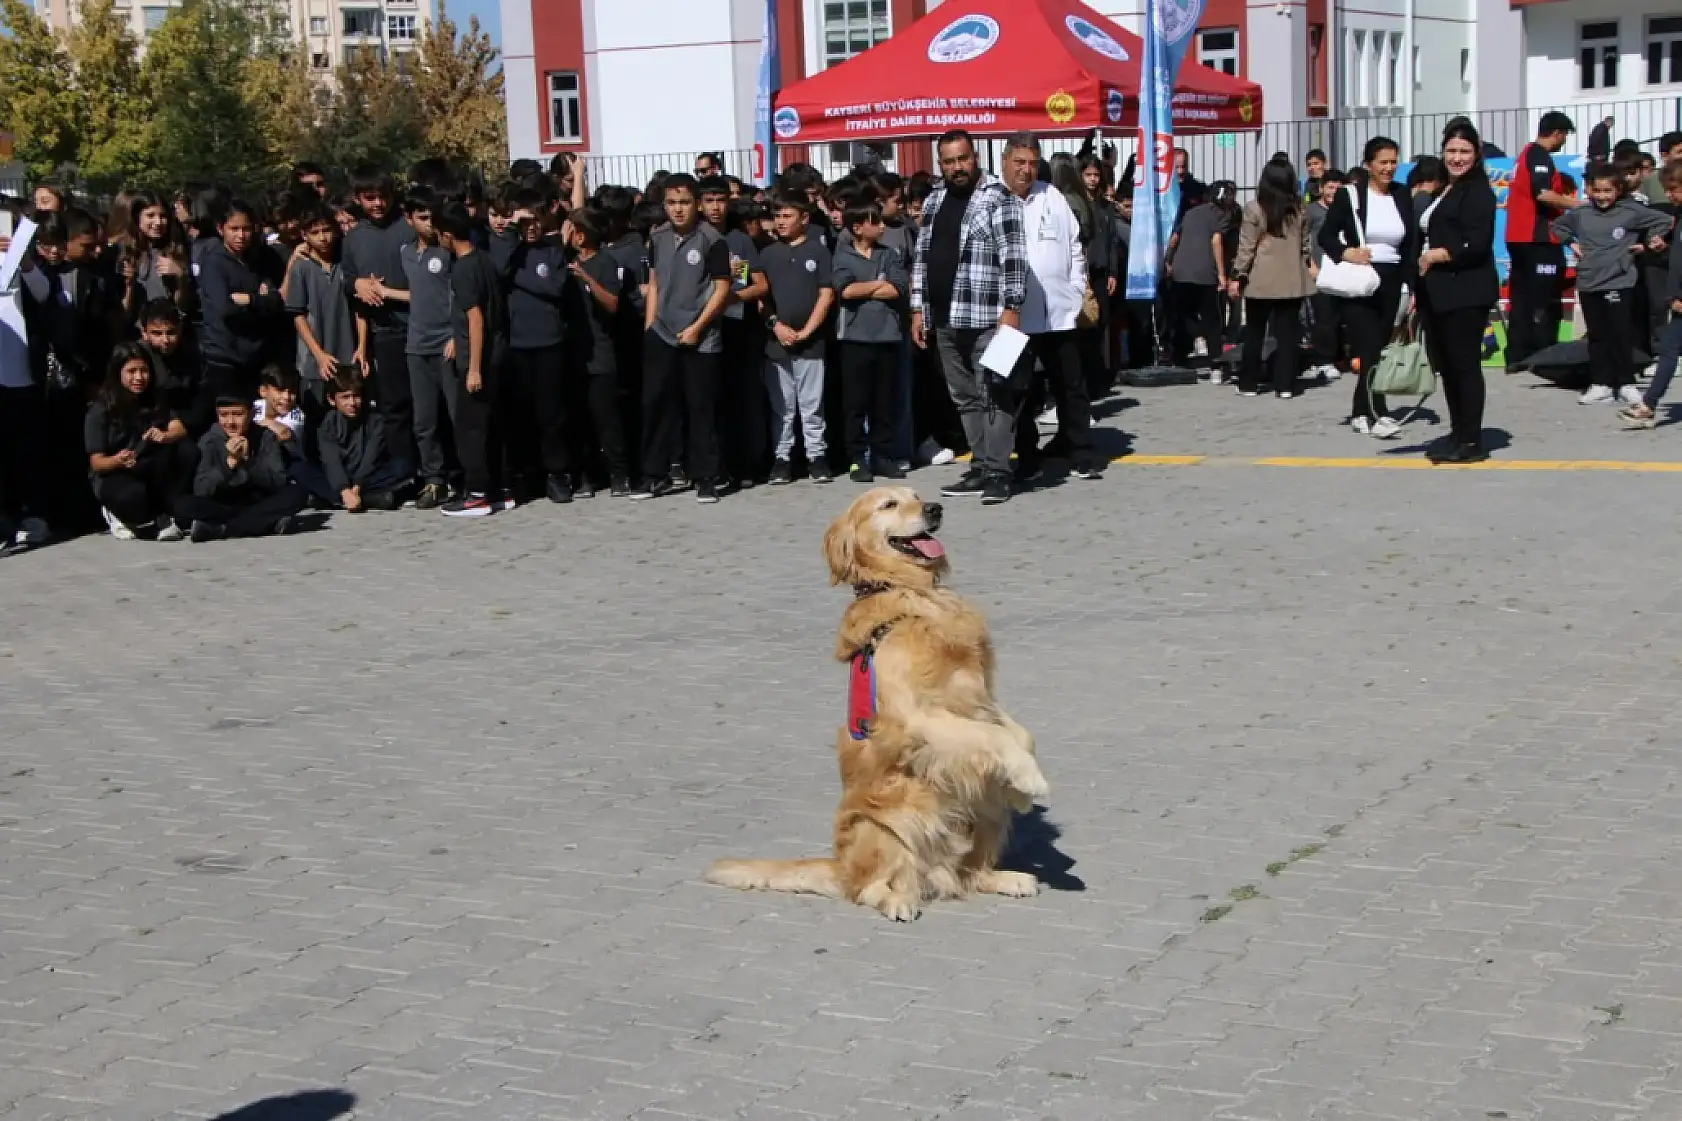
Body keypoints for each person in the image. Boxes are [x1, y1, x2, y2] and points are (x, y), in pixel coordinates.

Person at [910, 129, 1028, 506]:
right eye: (949, 161)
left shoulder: (999, 197)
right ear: (940, 164)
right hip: (945, 317)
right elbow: (922, 258)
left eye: (963, 159)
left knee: (994, 394)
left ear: (975, 157)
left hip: (988, 317)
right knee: (964, 396)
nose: (957, 167)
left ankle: (999, 471)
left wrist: (1012, 308)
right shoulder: (934, 200)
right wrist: (918, 309)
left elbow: (1014, 257)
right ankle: (980, 465)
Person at [633, 173, 732, 504]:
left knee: (700, 408)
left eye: (685, 202)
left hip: (700, 338)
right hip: (662, 333)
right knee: (656, 406)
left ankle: (706, 477)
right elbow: (654, 283)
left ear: (697, 204)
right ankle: (654, 475)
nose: (678, 209)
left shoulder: (712, 240)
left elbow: (722, 289)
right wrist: (650, 326)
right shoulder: (657, 237)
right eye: (672, 203)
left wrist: (697, 328)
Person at [1005, 134, 1097, 486]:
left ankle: (1080, 450)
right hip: (1016, 316)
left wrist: (1075, 289)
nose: (1026, 170)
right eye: (1019, 162)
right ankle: (1027, 456)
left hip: (1060, 311)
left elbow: (1074, 244)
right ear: (1005, 161)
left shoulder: (1053, 195)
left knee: (1071, 384)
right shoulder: (994, 198)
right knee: (1021, 390)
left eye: (1032, 163)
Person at [1319, 136, 1418, 437]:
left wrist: (1413, 286)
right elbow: (1325, 236)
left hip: (1392, 279)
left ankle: (1362, 410)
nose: (1389, 168)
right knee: (1369, 346)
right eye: (1382, 162)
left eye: (1393, 162)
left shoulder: (1402, 194)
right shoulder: (1350, 195)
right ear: (1368, 165)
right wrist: (1346, 252)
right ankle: (1377, 411)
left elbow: (1411, 243)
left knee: (1380, 346)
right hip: (1361, 278)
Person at [1550, 162, 1672, 407]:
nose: (1602, 196)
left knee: (1621, 333)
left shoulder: (1631, 211)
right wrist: (1571, 243)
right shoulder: (1581, 213)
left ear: (1618, 190)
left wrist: (1648, 243)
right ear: (1589, 190)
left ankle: (1626, 382)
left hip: (1619, 280)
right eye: (1597, 190)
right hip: (1589, 281)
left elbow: (1664, 220)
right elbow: (1558, 226)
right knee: (1597, 335)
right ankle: (1601, 383)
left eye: (1608, 191)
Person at [1415, 120, 1501, 464]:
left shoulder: (1478, 192)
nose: (1457, 157)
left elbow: (1476, 243)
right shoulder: (1444, 188)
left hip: (1465, 290)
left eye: (1464, 151)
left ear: (1476, 154)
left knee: (1464, 366)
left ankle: (1471, 440)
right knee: (1448, 367)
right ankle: (1458, 432)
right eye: (1451, 150)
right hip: (1438, 291)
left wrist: (1437, 255)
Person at [341, 166, 418, 478]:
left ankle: (439, 472)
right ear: (358, 199)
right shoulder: (353, 238)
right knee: (394, 406)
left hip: (419, 326)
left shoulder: (408, 227)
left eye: (383, 196)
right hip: (384, 331)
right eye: (370, 198)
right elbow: (346, 279)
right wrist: (355, 284)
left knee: (428, 404)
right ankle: (403, 472)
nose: (378, 204)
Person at [495, 194, 572, 503]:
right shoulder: (507, 252)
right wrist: (510, 234)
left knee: (551, 415)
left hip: (548, 343)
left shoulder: (553, 252)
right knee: (520, 414)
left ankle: (557, 473)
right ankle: (526, 474)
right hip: (516, 344)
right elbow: (497, 274)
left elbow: (555, 287)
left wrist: (518, 278)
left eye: (535, 221)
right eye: (524, 223)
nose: (530, 227)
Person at [436, 202, 511, 517]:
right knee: (493, 427)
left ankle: (477, 495)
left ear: (447, 234)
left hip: (478, 360)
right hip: (497, 354)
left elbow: (476, 319)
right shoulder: (485, 260)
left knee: (471, 431)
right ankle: (500, 489)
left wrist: (474, 369)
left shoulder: (463, 269)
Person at [760, 189, 835, 486]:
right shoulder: (767, 254)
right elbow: (762, 298)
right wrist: (775, 325)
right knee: (782, 405)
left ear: (804, 219)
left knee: (812, 403)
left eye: (787, 216)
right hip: (777, 343)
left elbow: (826, 294)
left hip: (811, 343)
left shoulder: (818, 251)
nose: (780, 221)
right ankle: (782, 458)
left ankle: (817, 456)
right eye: (777, 216)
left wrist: (807, 331)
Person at [832, 200, 908, 484]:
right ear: (857, 227)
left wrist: (869, 287)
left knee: (883, 401)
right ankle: (856, 458)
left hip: (887, 336)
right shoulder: (843, 255)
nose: (882, 226)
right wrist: (878, 283)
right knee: (855, 403)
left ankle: (882, 456)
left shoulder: (889, 254)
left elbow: (897, 288)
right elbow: (846, 291)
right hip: (854, 338)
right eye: (875, 222)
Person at [84, 342, 194, 540]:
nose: (139, 377)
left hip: (147, 465)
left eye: (144, 371)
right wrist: (117, 460)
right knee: (133, 496)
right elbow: (97, 462)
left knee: (187, 450)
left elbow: (179, 428)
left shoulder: (155, 399)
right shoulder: (100, 410)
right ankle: (117, 513)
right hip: (115, 474)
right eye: (131, 371)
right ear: (118, 373)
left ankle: (168, 511)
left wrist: (165, 436)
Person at [1230, 159, 1316, 399]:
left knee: (1254, 332)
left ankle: (1248, 383)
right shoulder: (1299, 209)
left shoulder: (1255, 208)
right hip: (1292, 276)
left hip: (1261, 278)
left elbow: (1247, 247)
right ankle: (1285, 385)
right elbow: (1305, 245)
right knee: (1287, 335)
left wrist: (1238, 274)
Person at [563, 207, 634, 496]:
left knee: (607, 419)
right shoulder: (565, 261)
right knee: (578, 420)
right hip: (573, 352)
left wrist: (587, 280)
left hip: (601, 353)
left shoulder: (606, 261)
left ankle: (620, 474)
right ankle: (585, 476)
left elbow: (612, 303)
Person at [1505, 112, 1580, 373]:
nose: (1563, 141)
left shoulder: (1526, 154)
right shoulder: (1538, 156)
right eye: (1564, 136)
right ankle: (1543, 355)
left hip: (1519, 237)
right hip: (1537, 239)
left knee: (1521, 298)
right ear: (1557, 133)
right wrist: (1578, 205)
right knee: (1544, 299)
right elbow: (1543, 194)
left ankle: (1517, 354)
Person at [178, 395, 308, 541]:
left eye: (238, 414)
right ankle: (267, 523)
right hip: (225, 503)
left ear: (251, 414)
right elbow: (201, 489)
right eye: (223, 415)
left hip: (258, 499)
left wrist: (248, 462)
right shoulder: (209, 440)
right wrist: (229, 465)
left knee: (297, 493)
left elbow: (279, 480)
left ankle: (222, 529)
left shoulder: (266, 436)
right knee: (185, 505)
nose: (230, 422)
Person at [196, 200, 285, 401]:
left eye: (246, 229)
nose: (241, 235)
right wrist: (260, 300)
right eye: (234, 229)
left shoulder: (257, 260)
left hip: (256, 354)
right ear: (221, 229)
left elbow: (275, 300)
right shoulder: (214, 263)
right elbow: (226, 309)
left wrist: (250, 299)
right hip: (225, 356)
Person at [282, 200, 359, 422]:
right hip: (314, 361)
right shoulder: (301, 268)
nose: (323, 237)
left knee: (350, 414)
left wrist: (361, 347)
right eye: (315, 232)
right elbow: (297, 315)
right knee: (316, 419)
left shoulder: (345, 264)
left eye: (326, 230)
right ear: (304, 235)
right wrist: (319, 355)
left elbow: (359, 308)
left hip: (346, 353)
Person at [1622, 167, 1682, 427]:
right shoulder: (1678, 217)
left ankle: (1648, 404)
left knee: (1668, 348)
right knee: (1668, 348)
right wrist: (1663, 249)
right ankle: (1648, 404)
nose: (1669, 195)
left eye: (1674, 189)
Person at [317, 370, 410, 511]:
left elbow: (371, 457)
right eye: (345, 397)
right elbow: (331, 460)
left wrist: (357, 487)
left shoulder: (374, 420)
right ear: (332, 400)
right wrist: (344, 490)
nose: (352, 403)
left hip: (366, 476)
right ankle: (368, 499)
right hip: (340, 476)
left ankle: (345, 499)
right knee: (309, 474)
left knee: (403, 466)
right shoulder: (328, 423)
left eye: (356, 396)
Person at [1166, 187, 1231, 375]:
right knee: (1212, 318)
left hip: (1181, 269)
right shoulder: (1220, 215)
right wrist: (1222, 274)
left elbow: (1175, 238)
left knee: (1183, 314)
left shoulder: (1191, 212)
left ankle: (1179, 357)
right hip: (1204, 272)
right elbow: (1216, 241)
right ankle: (1216, 361)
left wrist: (1168, 260)